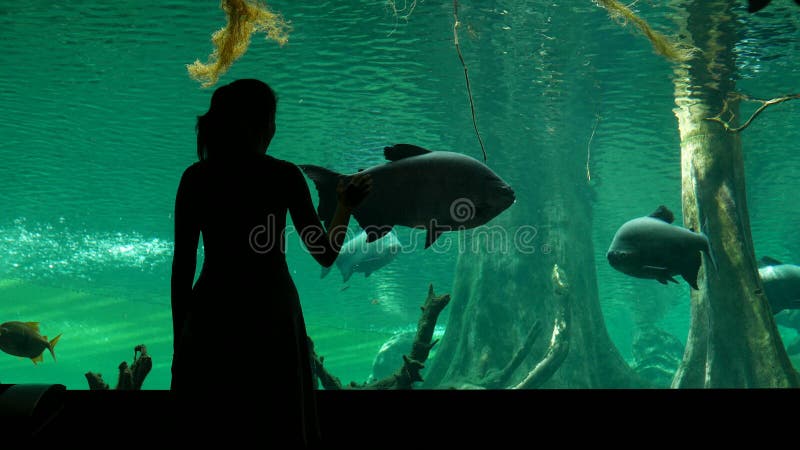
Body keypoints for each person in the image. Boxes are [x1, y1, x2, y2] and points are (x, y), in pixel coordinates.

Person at [170, 78, 371, 445]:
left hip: (213, 309)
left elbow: (181, 269)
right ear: (260, 124)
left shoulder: (196, 178)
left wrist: (178, 343)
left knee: (215, 421)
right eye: (271, 118)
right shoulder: (282, 175)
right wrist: (345, 206)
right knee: (276, 419)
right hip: (272, 311)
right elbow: (325, 252)